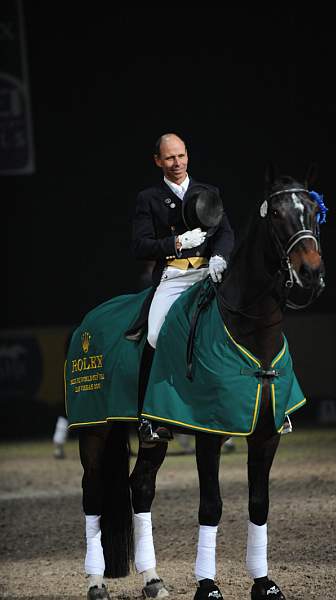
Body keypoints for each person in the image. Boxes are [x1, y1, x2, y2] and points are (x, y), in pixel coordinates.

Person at [129, 133, 234, 443]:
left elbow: (226, 233)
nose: (177, 163)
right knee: (154, 334)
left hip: (207, 272)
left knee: (245, 320)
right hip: (173, 276)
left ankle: (266, 405)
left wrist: (219, 257)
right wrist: (174, 244)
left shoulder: (208, 191)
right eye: (170, 158)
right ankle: (148, 416)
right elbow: (139, 245)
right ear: (158, 161)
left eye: (181, 156)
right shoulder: (148, 198)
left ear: (188, 155)